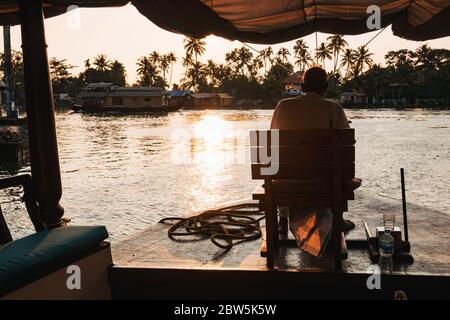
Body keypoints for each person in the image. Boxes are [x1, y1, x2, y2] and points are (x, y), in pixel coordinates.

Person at [270, 66, 361, 255]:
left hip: (286, 183)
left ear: (302, 86)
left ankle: (282, 219)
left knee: (282, 170)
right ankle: (337, 218)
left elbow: (271, 144)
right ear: (326, 87)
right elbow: (346, 150)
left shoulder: (282, 107)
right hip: (324, 184)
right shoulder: (334, 109)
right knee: (338, 172)